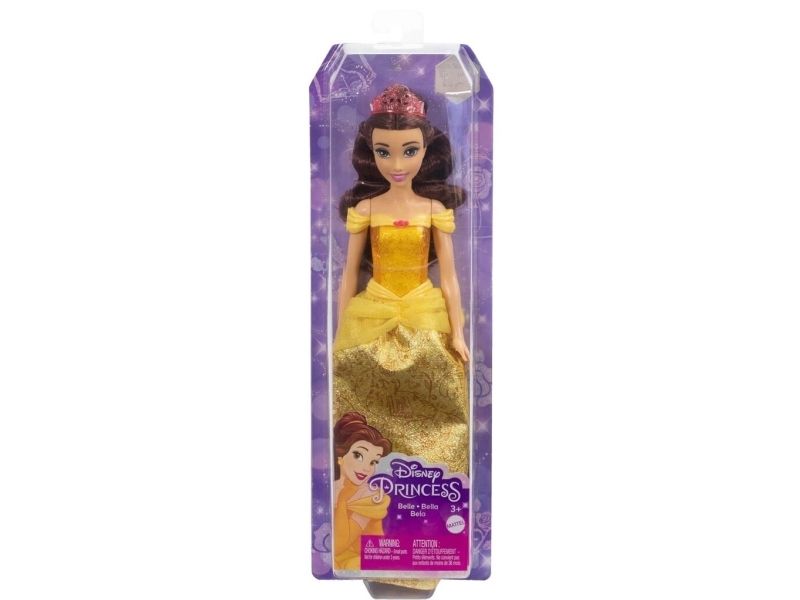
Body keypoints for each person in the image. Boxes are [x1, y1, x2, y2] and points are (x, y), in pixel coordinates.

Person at [332, 84, 470, 592]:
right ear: (369, 153)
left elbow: (449, 278)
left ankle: (428, 549)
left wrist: (459, 332)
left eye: (409, 151)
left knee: (439, 415)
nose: (396, 163)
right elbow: (348, 275)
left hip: (424, 315)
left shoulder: (433, 209)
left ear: (425, 151)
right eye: (384, 151)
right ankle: (372, 551)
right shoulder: (366, 209)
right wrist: (342, 333)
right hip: (372, 316)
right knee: (367, 418)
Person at [333, 412, 392, 571]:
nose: (366, 468)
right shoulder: (328, 487)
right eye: (358, 455)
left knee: (352, 565)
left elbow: (338, 546)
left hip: (363, 561)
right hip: (331, 560)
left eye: (373, 462)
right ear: (340, 456)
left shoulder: (369, 497)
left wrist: (343, 501)